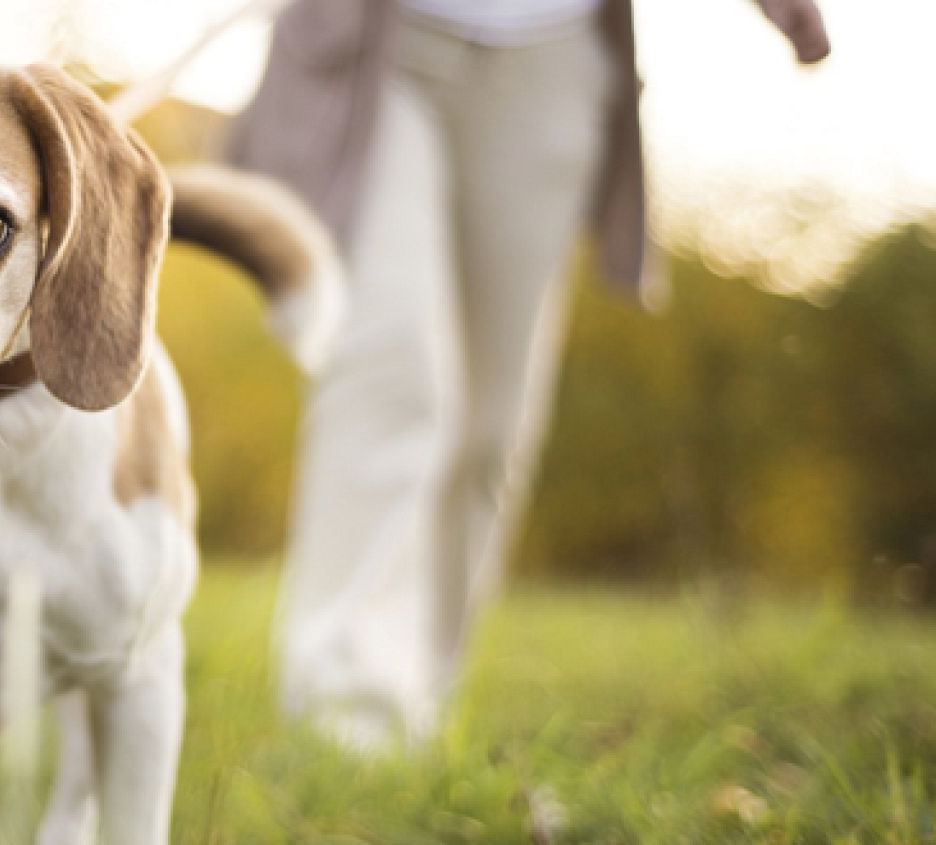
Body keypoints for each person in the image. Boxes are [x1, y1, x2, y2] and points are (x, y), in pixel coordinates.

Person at [230, 0, 831, 748]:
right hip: (378, 42)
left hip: (552, 60)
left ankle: (420, 696)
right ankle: (345, 718)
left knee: (490, 423)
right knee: (393, 368)